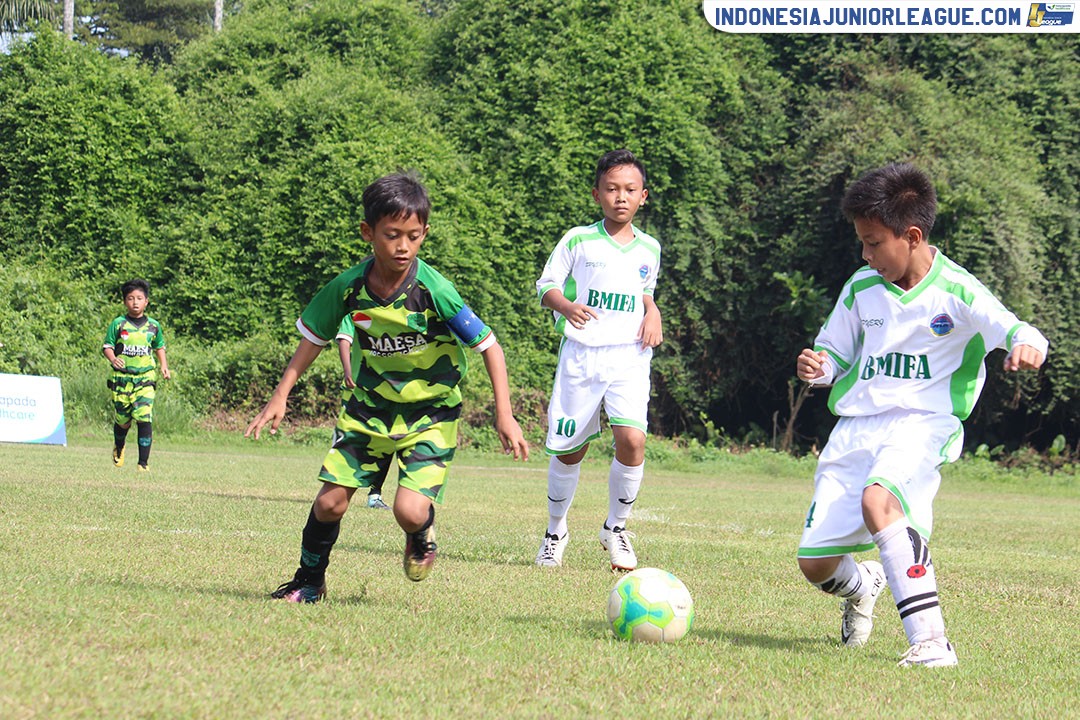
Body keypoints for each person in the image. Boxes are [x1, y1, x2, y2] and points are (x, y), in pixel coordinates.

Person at [795, 163, 1048, 667]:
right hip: (856, 429)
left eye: (873, 242)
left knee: (880, 500)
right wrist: (817, 367)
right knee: (815, 564)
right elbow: (835, 353)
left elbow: (1015, 328)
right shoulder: (861, 287)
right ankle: (863, 585)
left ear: (911, 236)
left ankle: (932, 642)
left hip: (922, 423)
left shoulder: (956, 290)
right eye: (862, 243)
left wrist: (1025, 345)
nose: (865, 255)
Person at [246, 172, 529, 602]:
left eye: (413, 237)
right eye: (392, 235)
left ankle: (421, 531)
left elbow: (490, 346)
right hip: (367, 411)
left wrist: (504, 415)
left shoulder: (435, 290)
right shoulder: (349, 288)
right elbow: (313, 339)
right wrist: (280, 394)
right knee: (329, 504)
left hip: (431, 415)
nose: (403, 247)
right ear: (368, 233)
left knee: (408, 510)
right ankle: (309, 581)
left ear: (424, 234)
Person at [533, 149, 663, 571]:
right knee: (570, 450)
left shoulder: (650, 248)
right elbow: (546, 286)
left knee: (633, 439)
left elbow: (645, 292)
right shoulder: (578, 239)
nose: (620, 197)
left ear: (643, 196)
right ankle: (555, 531)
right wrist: (566, 306)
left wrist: (653, 312)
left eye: (629, 190)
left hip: (630, 356)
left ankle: (617, 528)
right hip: (582, 358)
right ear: (597, 194)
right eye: (611, 189)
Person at [102, 278, 170, 471]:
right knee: (123, 421)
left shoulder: (153, 326)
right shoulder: (118, 324)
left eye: (139, 298)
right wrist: (113, 359)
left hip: (145, 378)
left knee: (144, 417)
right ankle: (120, 446)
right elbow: (107, 346)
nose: (135, 302)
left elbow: (159, 346)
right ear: (125, 301)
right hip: (122, 379)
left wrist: (164, 366)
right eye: (131, 298)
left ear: (146, 301)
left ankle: (143, 464)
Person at [335, 317, 389, 510]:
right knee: (351, 440)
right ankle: (339, 491)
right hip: (355, 390)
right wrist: (348, 371)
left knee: (386, 443)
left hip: (384, 391)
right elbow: (344, 340)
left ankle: (375, 494)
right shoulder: (355, 311)